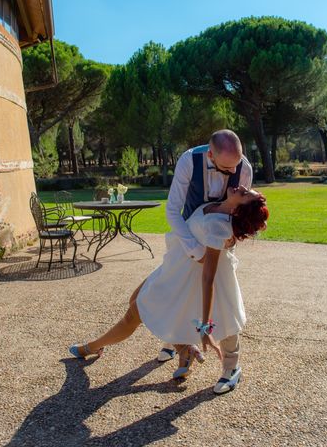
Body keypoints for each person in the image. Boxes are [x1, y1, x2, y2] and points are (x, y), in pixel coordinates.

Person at [69, 186, 268, 395]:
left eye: (245, 194)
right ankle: (184, 349)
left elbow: (208, 278)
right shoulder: (215, 203)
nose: (243, 187)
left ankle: (91, 347)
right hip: (174, 267)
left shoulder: (219, 225)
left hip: (185, 276)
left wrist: (204, 329)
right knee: (135, 300)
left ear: (237, 211)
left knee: (137, 313)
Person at [156, 129, 252, 363]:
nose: (233, 172)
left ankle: (231, 364)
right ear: (210, 155)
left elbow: (242, 211)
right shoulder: (189, 160)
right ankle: (174, 340)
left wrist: (231, 239)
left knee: (222, 293)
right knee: (178, 288)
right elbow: (172, 209)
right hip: (188, 233)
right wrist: (193, 248)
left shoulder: (244, 168)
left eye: (236, 165)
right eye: (227, 167)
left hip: (219, 239)